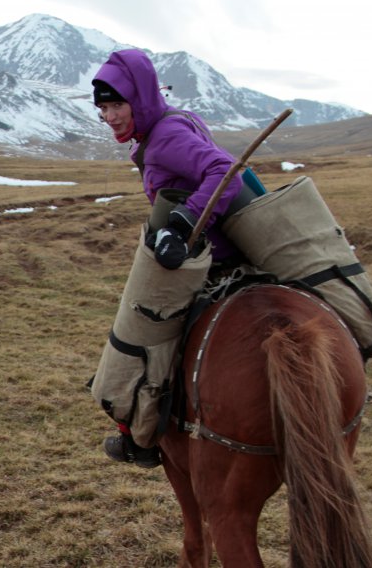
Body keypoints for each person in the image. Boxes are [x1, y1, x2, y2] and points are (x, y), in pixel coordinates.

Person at [92, 49, 257, 468]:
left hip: (206, 259)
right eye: (104, 108)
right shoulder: (174, 121)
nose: (111, 116)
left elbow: (225, 170)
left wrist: (183, 222)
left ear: (140, 98)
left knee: (140, 331)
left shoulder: (165, 137)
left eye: (117, 105)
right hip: (242, 250)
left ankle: (139, 436)